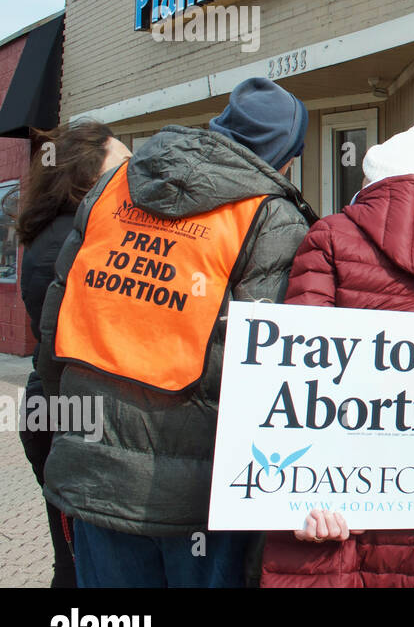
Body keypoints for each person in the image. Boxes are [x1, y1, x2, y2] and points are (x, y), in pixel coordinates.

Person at [36, 77, 315, 588]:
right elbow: (269, 373)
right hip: (200, 502)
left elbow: (55, 331)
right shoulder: (271, 218)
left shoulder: (114, 187)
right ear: (286, 156)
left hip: (95, 478)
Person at [259, 121, 414, 587]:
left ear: (373, 183)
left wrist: (298, 492)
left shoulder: (328, 239)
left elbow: (293, 375)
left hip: (334, 505)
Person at [12, 121, 131, 587]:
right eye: (121, 162)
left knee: (78, 550)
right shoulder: (74, 239)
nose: (131, 171)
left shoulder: (62, 228)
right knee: (82, 556)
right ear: (85, 171)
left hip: (58, 407)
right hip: (70, 413)